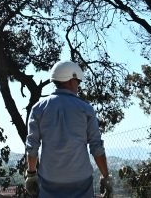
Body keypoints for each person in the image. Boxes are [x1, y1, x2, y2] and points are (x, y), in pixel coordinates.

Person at [25, 60, 114, 198]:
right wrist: (105, 177)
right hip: (81, 181)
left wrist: (31, 174)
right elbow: (96, 146)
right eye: (78, 81)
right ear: (71, 81)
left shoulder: (38, 109)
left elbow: (32, 145)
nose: (78, 85)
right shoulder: (86, 109)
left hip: (49, 180)